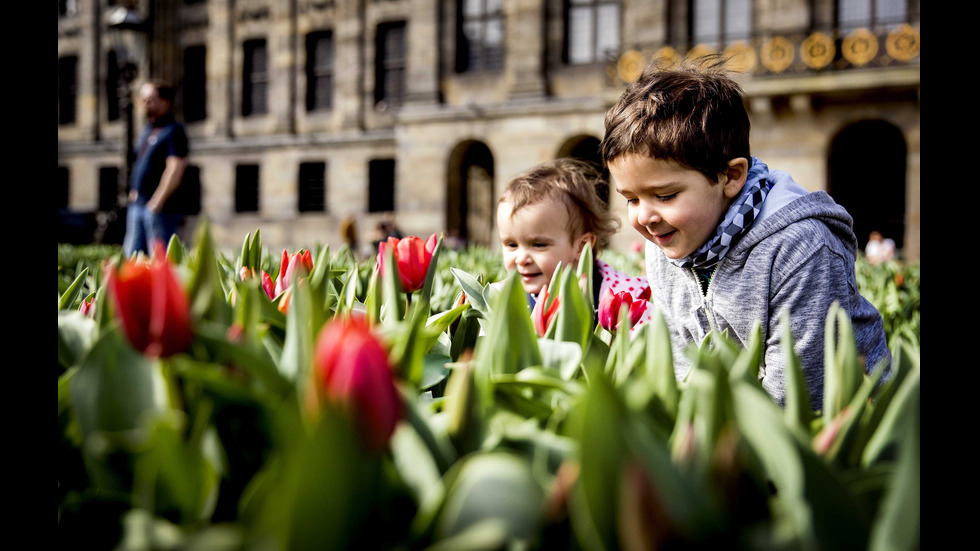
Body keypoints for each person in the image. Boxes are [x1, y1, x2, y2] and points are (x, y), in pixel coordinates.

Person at [600, 56, 890, 409]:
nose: (645, 216)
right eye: (630, 199)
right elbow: (679, 365)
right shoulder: (665, 242)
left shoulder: (799, 247)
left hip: (852, 426)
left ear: (732, 176)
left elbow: (801, 392)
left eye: (665, 195)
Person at [495, 158, 653, 334]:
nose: (521, 258)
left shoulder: (622, 298)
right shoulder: (497, 300)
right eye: (511, 244)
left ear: (581, 246)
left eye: (538, 244)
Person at [123, 79, 189, 257]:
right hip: (138, 204)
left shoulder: (173, 130)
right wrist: (133, 192)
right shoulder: (147, 130)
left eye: (150, 99)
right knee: (131, 257)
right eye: (143, 99)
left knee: (160, 259)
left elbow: (175, 167)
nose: (144, 103)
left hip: (159, 209)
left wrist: (157, 201)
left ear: (165, 102)